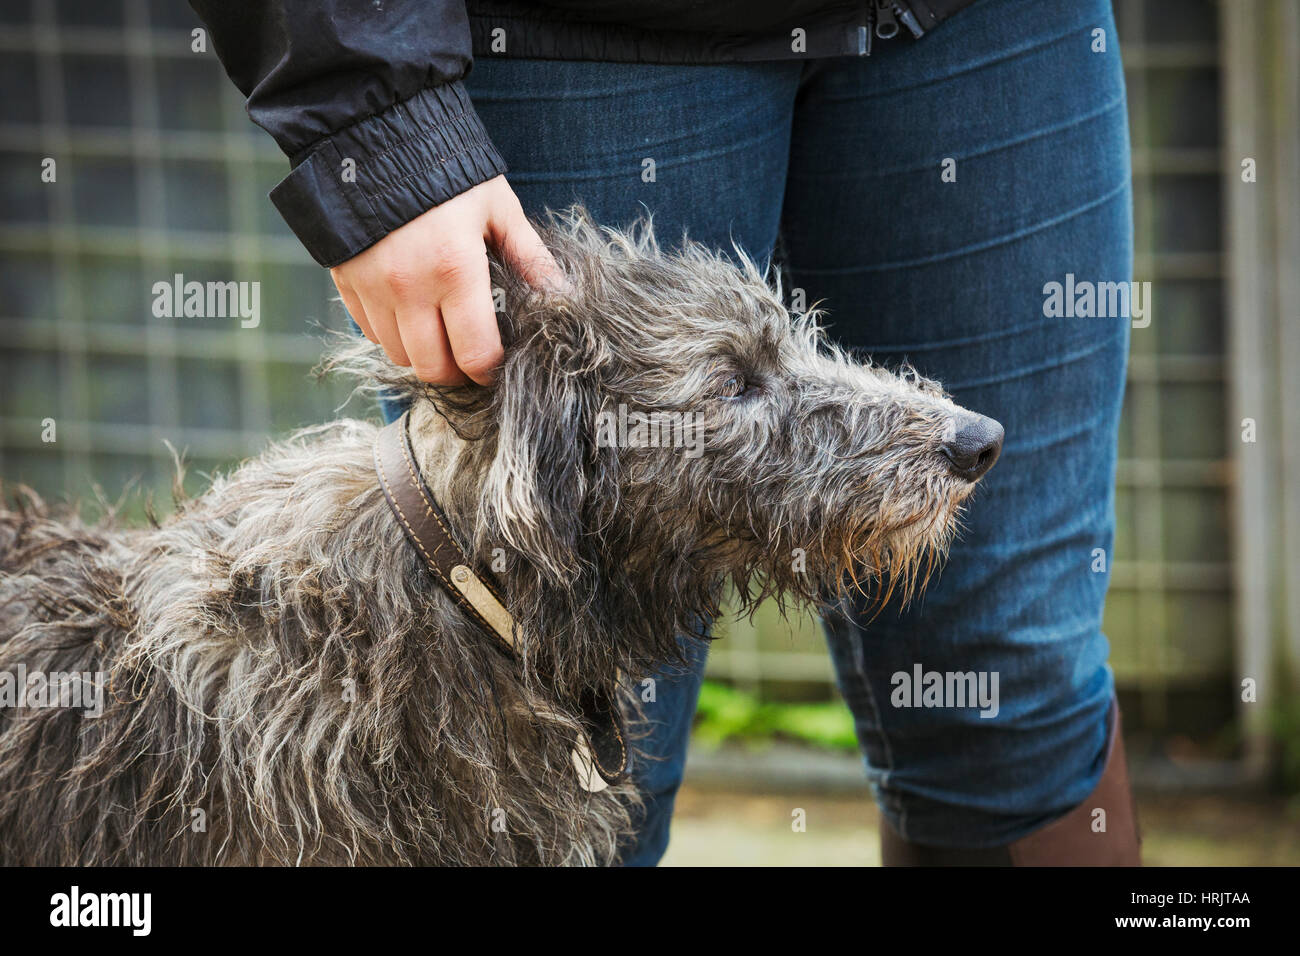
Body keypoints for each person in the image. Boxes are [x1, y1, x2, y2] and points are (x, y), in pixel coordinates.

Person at [192, 0, 1140, 865]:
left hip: (989, 24)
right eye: (735, 389)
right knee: (542, 747)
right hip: (567, 38)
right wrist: (374, 112)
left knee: (1016, 702)